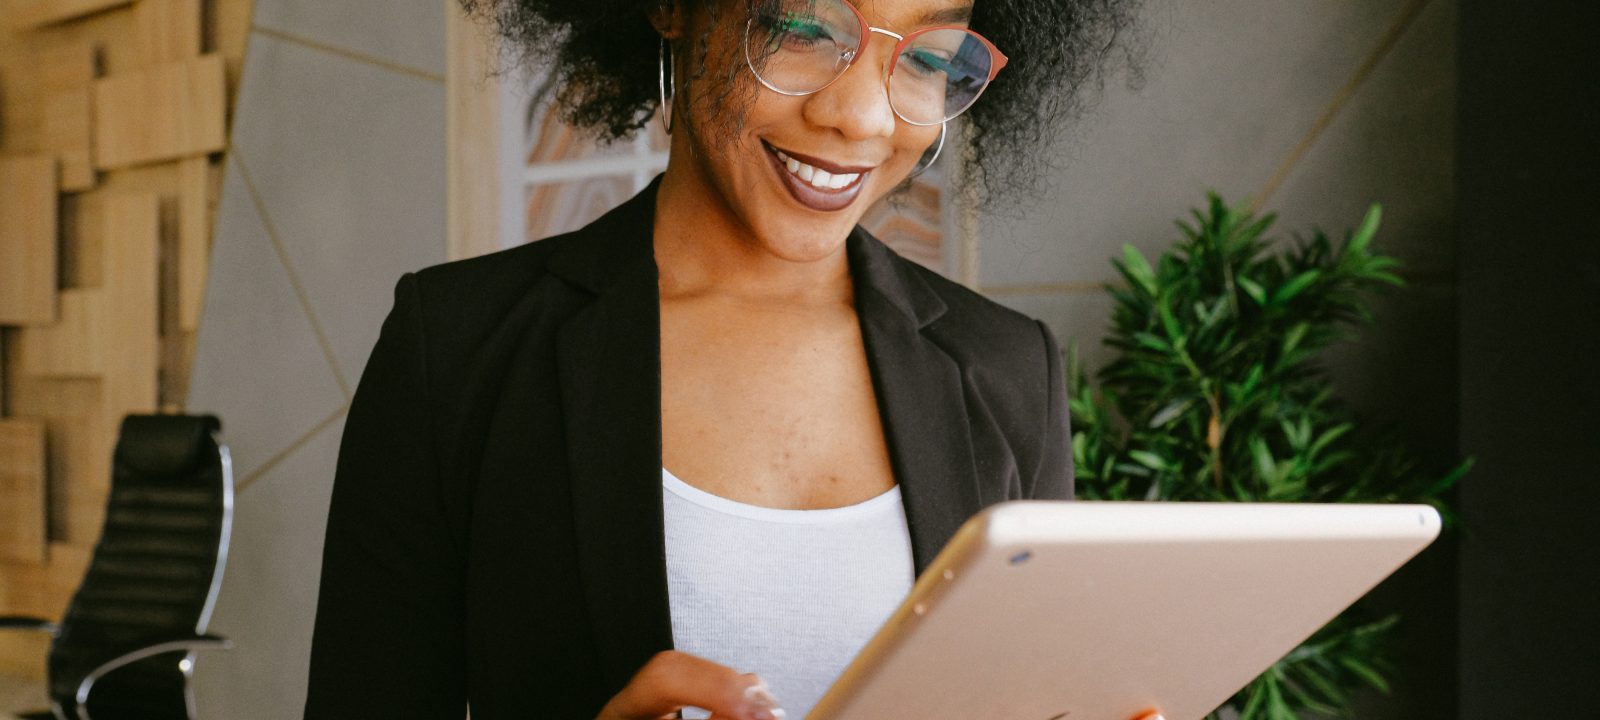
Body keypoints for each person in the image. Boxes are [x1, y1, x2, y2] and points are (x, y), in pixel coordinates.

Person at [304, 0, 1148, 718]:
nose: (863, 117)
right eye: (803, 28)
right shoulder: (455, 351)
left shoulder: (1008, 369)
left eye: (930, 57)